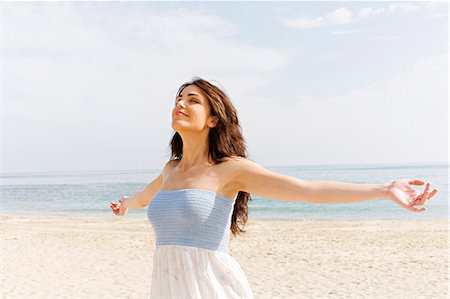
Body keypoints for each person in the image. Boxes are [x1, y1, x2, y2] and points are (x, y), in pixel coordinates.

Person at [110, 77, 438, 299]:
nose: (180, 103)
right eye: (178, 99)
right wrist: (125, 204)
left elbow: (308, 190)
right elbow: (143, 197)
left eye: (192, 100)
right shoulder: (171, 170)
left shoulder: (230, 170)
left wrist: (383, 189)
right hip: (167, 288)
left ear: (212, 120)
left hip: (211, 288)